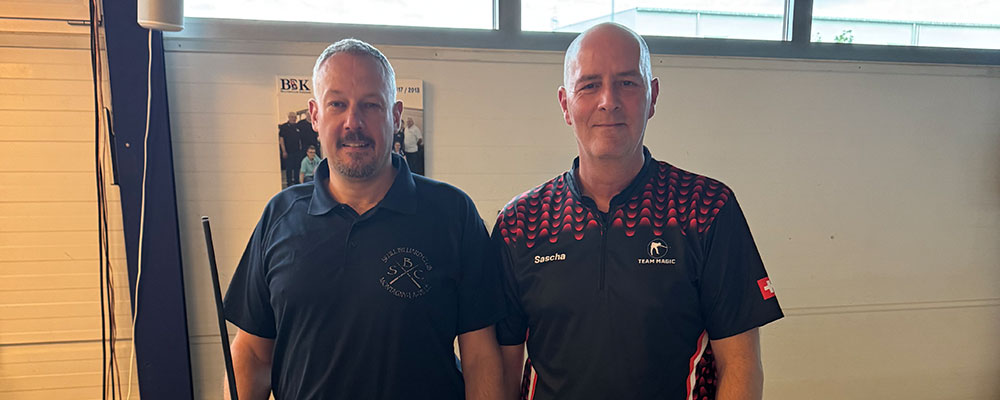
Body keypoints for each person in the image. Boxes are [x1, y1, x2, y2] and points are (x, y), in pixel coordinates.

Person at [494, 23, 783, 400]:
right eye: (590, 85)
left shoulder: (707, 209)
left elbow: (740, 365)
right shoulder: (520, 223)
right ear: (565, 104)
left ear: (653, 97)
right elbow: (501, 371)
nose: (608, 101)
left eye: (627, 83)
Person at [225, 38, 505, 400]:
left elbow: (480, 355)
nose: (353, 122)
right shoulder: (279, 216)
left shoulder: (453, 214)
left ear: (395, 115)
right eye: (337, 104)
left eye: (371, 105)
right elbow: (252, 352)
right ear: (314, 115)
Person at [278, 111, 303, 186]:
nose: (293, 119)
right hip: (288, 151)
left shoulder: (298, 127)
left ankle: (296, 182)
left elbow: (300, 139)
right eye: (292, 117)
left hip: (297, 151)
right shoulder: (284, 127)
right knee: (289, 168)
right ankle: (289, 183)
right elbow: (281, 139)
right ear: (289, 117)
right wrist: (284, 151)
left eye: (295, 117)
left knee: (297, 167)